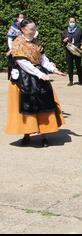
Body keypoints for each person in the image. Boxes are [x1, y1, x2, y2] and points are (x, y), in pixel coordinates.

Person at [5, 19, 66, 147]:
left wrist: (54, 70)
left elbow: (43, 59)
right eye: (31, 29)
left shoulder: (36, 42)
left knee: (45, 103)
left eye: (34, 28)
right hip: (23, 79)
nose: (34, 31)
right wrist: (40, 74)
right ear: (23, 30)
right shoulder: (17, 43)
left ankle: (44, 135)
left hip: (38, 76)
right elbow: (23, 63)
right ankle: (26, 134)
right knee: (26, 105)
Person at [61, 16, 82, 86]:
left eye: (73, 22)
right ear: (68, 22)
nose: (72, 23)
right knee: (70, 66)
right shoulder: (65, 31)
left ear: (75, 22)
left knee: (78, 65)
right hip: (68, 50)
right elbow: (61, 41)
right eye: (71, 22)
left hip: (77, 50)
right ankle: (71, 81)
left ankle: (80, 80)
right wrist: (64, 40)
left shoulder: (79, 30)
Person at [6, 13, 25, 80]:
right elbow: (9, 39)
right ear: (17, 18)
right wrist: (11, 49)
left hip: (22, 47)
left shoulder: (24, 26)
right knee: (13, 63)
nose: (22, 19)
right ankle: (12, 77)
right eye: (20, 17)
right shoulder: (13, 27)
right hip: (13, 46)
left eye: (23, 17)